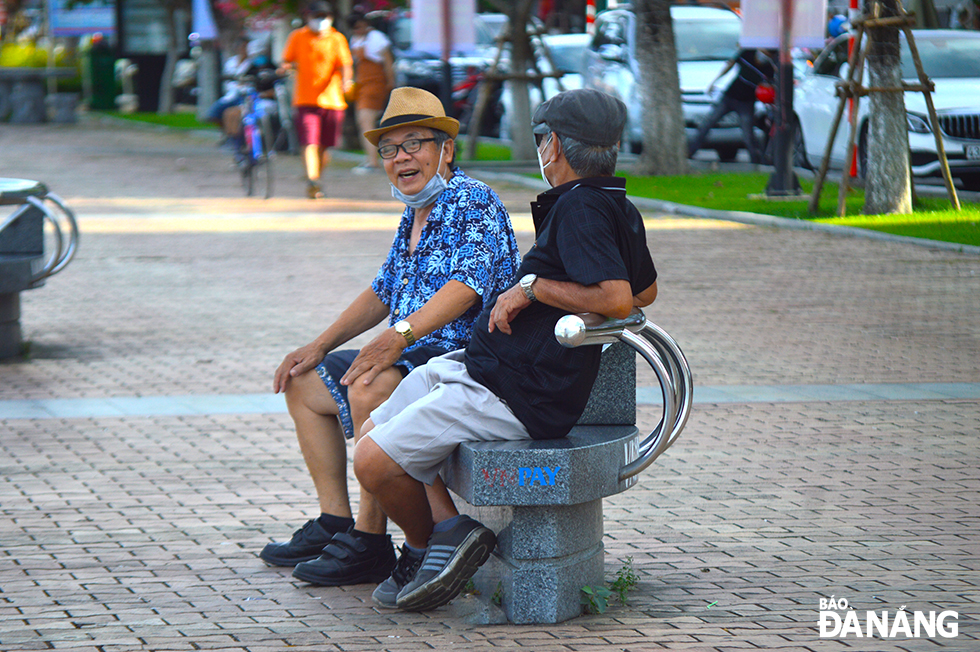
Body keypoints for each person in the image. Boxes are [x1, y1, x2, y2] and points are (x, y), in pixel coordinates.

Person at [352, 88, 659, 611]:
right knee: (372, 426)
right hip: (487, 370)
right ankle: (449, 533)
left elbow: (618, 296)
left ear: (553, 145)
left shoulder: (583, 207)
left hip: (513, 393)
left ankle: (431, 546)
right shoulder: (609, 202)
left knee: (372, 464)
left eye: (541, 140)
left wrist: (533, 289)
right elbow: (644, 291)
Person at [261, 87, 522, 590]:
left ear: (445, 149)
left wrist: (397, 337)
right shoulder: (413, 213)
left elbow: (465, 289)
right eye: (390, 148)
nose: (401, 157)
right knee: (303, 380)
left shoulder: (473, 200)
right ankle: (336, 522)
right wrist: (317, 344)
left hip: (458, 355)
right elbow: (383, 291)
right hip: (409, 348)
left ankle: (371, 538)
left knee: (368, 382)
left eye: (414, 144)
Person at [279, 1, 354, 199]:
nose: (320, 20)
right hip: (305, 100)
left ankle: (317, 177)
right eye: (316, 16)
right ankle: (313, 179)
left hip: (332, 100)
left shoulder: (336, 38)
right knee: (310, 141)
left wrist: (347, 81)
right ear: (308, 17)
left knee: (324, 145)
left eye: (324, 16)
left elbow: (345, 64)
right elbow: (287, 59)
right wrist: (285, 68)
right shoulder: (298, 36)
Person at [687, 48, 774, 164]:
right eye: (763, 52)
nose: (764, 55)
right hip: (729, 97)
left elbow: (768, 88)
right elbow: (730, 65)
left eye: (767, 54)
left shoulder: (768, 69)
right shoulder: (747, 54)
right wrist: (715, 81)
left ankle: (756, 161)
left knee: (748, 134)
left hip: (746, 103)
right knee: (707, 124)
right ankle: (690, 152)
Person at [347, 10, 396, 173]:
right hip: (361, 84)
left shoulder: (377, 38)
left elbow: (388, 63)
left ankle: (373, 161)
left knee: (365, 120)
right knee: (363, 122)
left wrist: (391, 84)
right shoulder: (356, 39)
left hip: (375, 83)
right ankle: (371, 158)